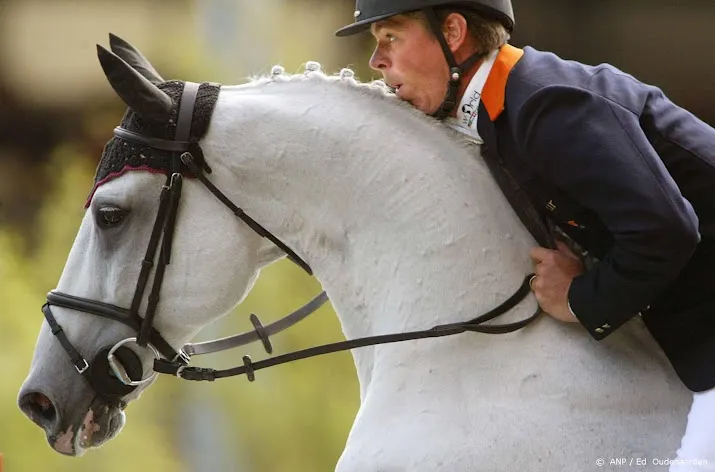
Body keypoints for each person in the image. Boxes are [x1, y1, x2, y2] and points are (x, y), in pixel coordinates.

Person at [336, 1, 715, 470]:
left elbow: (667, 230)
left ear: (453, 31)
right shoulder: (504, 108)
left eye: (390, 37)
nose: (377, 62)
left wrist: (580, 297)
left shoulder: (546, 104)